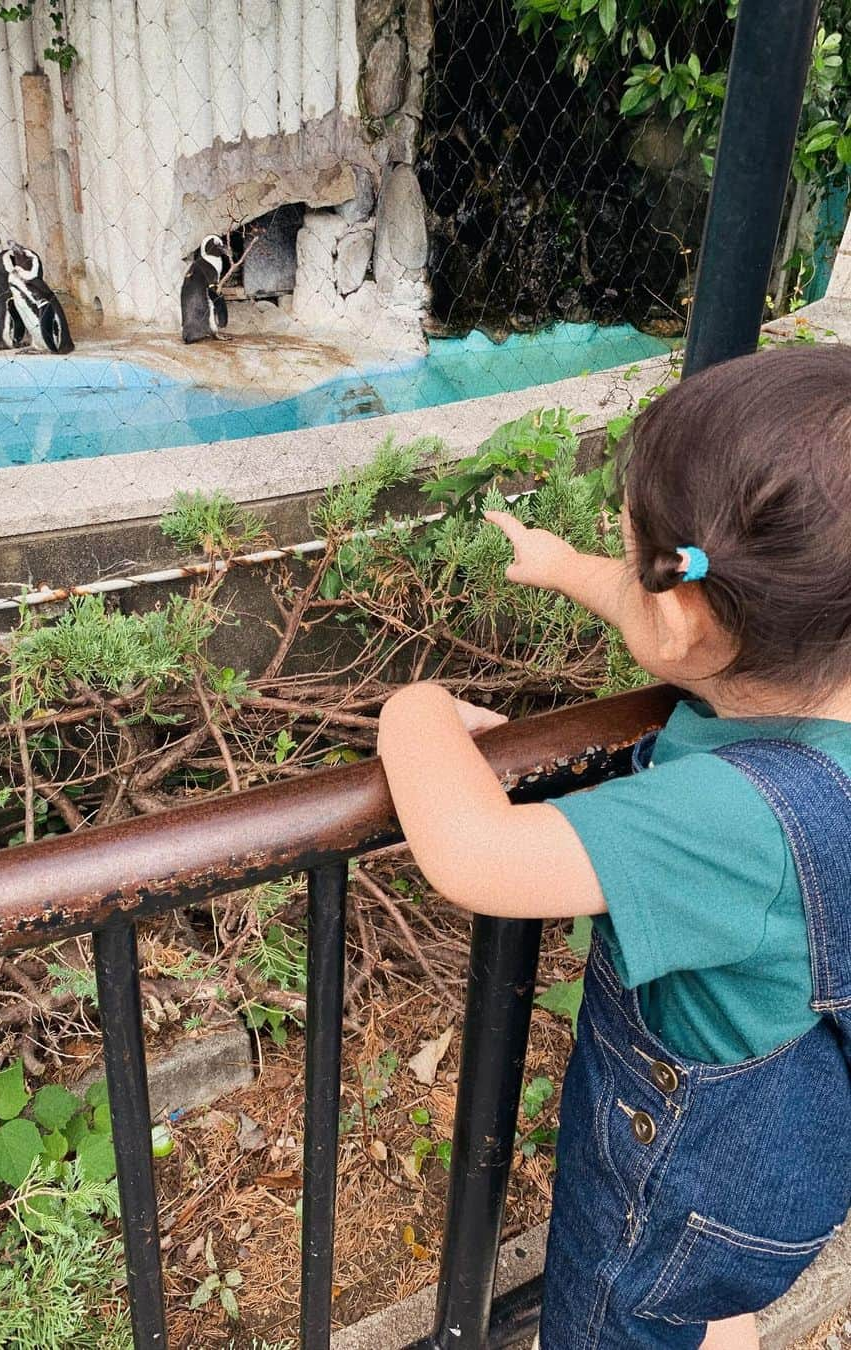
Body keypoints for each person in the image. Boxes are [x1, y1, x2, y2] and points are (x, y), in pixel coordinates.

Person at [376, 346, 851, 1349]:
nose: (622, 570)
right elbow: (692, 620)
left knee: (607, 1322)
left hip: (678, 1195)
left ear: (685, 614)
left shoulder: (737, 821)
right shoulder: (817, 682)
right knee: (704, 1302)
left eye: (630, 557)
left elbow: (472, 852)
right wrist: (567, 568)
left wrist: (412, 713)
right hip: (785, 1152)